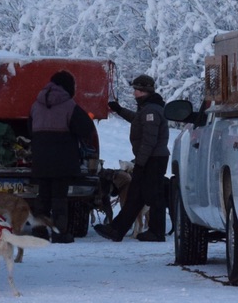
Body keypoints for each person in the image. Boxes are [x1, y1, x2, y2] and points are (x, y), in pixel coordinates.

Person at [97, 73, 169, 242]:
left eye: (136, 90)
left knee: (150, 195)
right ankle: (118, 229)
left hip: (152, 159)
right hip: (153, 158)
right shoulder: (149, 108)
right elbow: (138, 120)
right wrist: (119, 110)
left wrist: (140, 163)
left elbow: (149, 140)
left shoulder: (151, 110)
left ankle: (153, 232)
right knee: (138, 195)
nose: (134, 93)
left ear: (144, 91)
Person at [28, 70, 96, 242]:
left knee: (42, 196)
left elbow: (30, 128)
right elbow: (86, 128)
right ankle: (60, 233)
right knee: (59, 197)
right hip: (62, 159)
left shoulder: (36, 104)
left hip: (41, 158)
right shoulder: (69, 105)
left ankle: (39, 231)